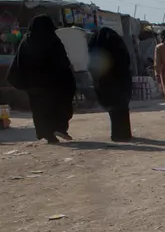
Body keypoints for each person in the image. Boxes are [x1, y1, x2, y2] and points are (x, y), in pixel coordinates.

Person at [5, 14, 76, 143]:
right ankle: (59, 127)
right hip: (53, 84)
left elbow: (19, 62)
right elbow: (62, 62)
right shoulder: (52, 40)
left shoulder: (26, 41)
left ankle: (47, 134)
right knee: (58, 105)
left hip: (34, 85)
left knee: (39, 109)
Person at [88, 27, 132, 141]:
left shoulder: (95, 45)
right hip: (120, 80)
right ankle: (123, 134)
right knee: (121, 108)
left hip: (104, 82)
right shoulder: (117, 46)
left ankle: (117, 134)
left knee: (113, 108)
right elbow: (126, 60)